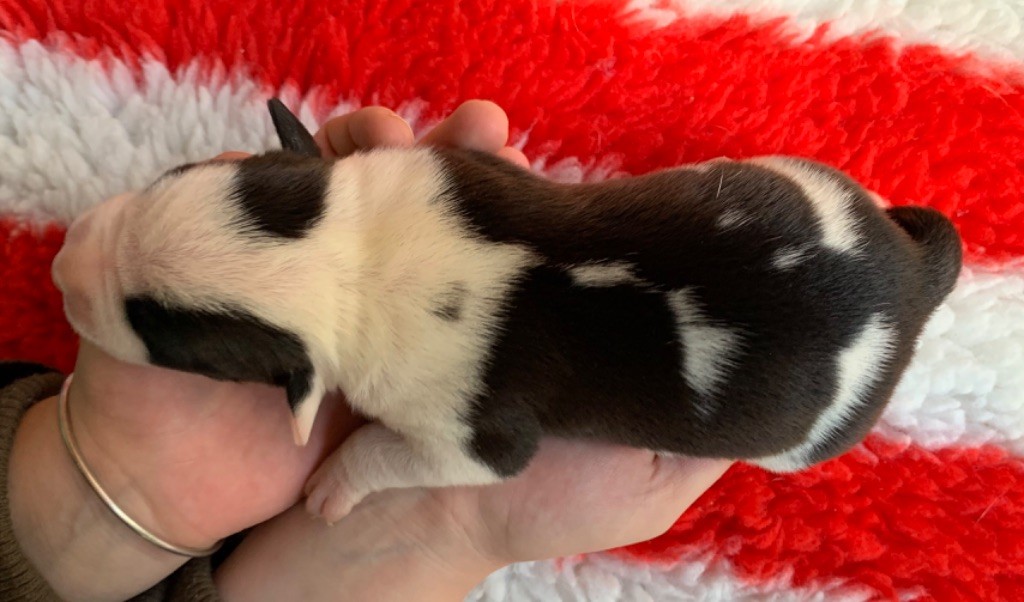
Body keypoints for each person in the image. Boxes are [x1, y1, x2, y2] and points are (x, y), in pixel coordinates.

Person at [0, 100, 732, 601]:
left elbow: (486, 452)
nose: (69, 263)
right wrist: (108, 478)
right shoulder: (435, 201)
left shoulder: (442, 368)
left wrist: (432, 520)